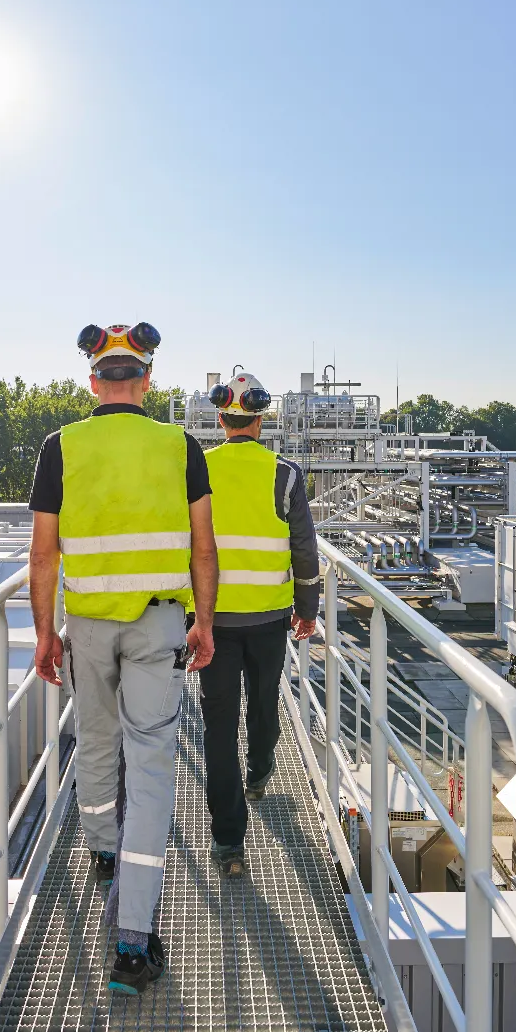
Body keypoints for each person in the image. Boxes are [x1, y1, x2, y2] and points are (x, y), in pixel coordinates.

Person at [28, 322, 217, 995]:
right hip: (158, 624)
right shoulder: (178, 445)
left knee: (98, 744)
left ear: (91, 381)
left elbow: (44, 552)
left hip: (86, 624)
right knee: (152, 764)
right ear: (145, 380)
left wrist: (45, 631)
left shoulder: (62, 446)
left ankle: (103, 854)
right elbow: (202, 547)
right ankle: (133, 941)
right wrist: (207, 623)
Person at [197, 369, 321, 878]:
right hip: (270, 619)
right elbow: (304, 548)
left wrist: (192, 614)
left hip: (215, 620)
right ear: (262, 419)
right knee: (264, 702)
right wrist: (307, 608)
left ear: (221, 416)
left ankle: (229, 843)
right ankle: (261, 771)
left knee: (218, 726)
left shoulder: (199, 469)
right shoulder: (285, 474)